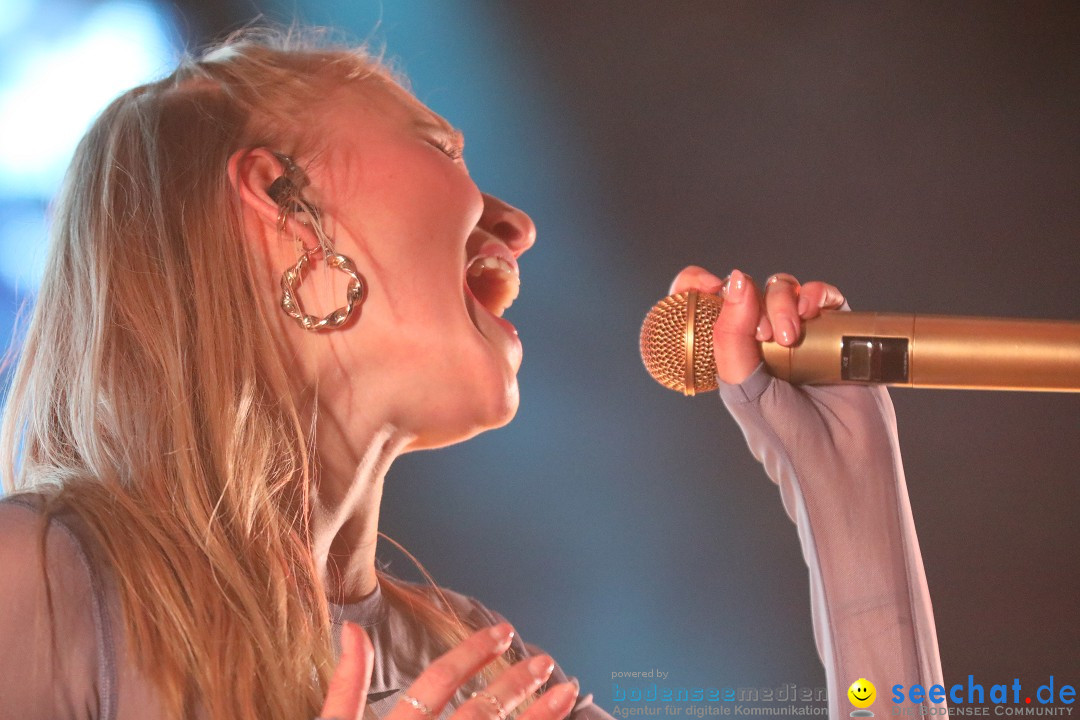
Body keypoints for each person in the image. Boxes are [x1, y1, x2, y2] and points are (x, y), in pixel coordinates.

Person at [0, 28, 943, 720]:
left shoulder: (486, 676)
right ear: (281, 201)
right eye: (441, 148)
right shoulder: (35, 586)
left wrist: (849, 511)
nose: (519, 225)